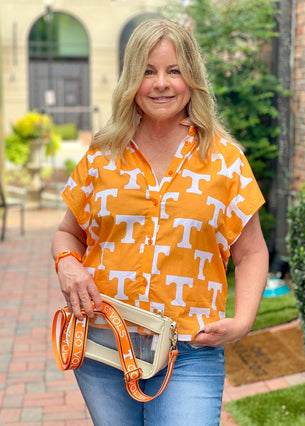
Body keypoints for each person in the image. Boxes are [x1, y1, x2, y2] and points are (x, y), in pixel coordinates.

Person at [52, 18, 269, 426]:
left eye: (174, 71)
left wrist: (243, 322)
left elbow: (252, 251)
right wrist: (67, 262)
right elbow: (68, 232)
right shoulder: (103, 154)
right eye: (148, 71)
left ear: (192, 79)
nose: (161, 84)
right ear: (131, 80)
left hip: (189, 350)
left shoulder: (225, 161)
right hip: (103, 341)